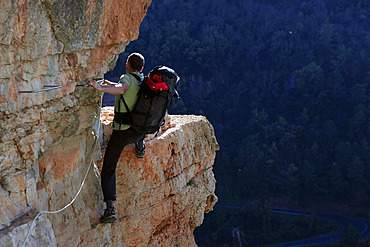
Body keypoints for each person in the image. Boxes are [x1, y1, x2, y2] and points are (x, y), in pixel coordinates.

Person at [88, 52, 146, 223]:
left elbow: (122, 88)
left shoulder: (126, 77)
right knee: (135, 137)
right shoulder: (141, 79)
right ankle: (140, 146)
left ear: (128, 63)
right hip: (138, 130)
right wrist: (109, 83)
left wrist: (101, 88)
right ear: (141, 68)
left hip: (122, 131)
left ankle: (110, 209)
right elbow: (126, 88)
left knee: (108, 169)